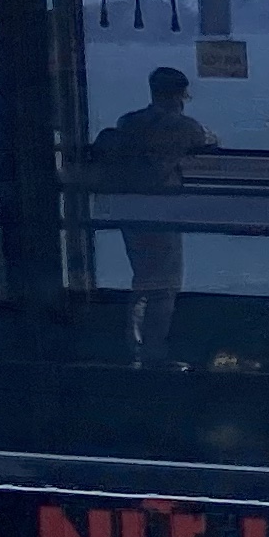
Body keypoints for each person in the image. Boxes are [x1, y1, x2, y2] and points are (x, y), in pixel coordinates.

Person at [88, 66, 215, 365]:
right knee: (164, 284)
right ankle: (152, 350)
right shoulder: (185, 127)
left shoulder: (128, 122)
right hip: (161, 213)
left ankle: (134, 344)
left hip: (130, 212)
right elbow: (207, 142)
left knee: (143, 278)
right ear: (180, 94)